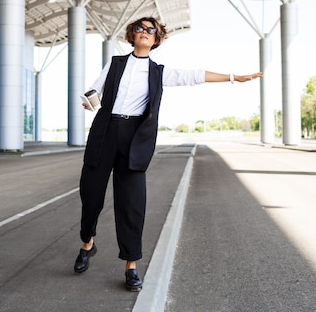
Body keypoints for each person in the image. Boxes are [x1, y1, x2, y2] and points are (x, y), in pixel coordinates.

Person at [74, 16, 262, 292]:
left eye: (151, 30)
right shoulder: (114, 63)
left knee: (131, 203)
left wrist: (233, 77)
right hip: (104, 134)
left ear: (157, 38)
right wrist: (89, 102)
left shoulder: (159, 72)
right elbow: (93, 91)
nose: (145, 32)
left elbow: (195, 75)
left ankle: (131, 265)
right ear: (132, 34)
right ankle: (87, 244)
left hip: (134, 140)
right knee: (91, 196)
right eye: (140, 28)